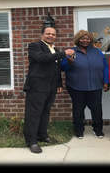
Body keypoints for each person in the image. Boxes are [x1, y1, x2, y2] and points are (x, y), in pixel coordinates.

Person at [23, 24, 75, 153]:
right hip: (36, 87)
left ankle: (42, 135)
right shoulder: (35, 46)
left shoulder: (55, 49)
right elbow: (42, 58)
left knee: (45, 112)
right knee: (33, 114)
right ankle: (32, 141)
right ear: (42, 35)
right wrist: (63, 53)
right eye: (48, 33)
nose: (51, 36)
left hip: (51, 87)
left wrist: (59, 84)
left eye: (53, 34)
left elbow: (56, 69)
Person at [61, 30, 109, 139]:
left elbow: (105, 67)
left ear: (91, 40)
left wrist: (106, 81)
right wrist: (69, 61)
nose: (85, 40)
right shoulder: (71, 51)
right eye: (82, 38)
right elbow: (63, 67)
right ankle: (79, 130)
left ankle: (98, 130)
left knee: (96, 109)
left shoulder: (97, 52)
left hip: (95, 86)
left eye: (87, 38)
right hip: (76, 87)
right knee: (78, 109)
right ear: (78, 40)